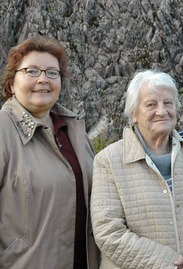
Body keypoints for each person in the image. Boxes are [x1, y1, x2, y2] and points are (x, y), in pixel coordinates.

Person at [90, 70, 183, 269]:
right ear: (133, 113)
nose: (162, 111)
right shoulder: (108, 160)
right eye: (151, 104)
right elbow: (109, 233)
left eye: (168, 103)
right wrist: (171, 265)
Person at [0, 36, 99, 268]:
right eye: (32, 71)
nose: (43, 79)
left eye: (52, 73)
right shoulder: (3, 129)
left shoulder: (74, 131)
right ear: (12, 83)